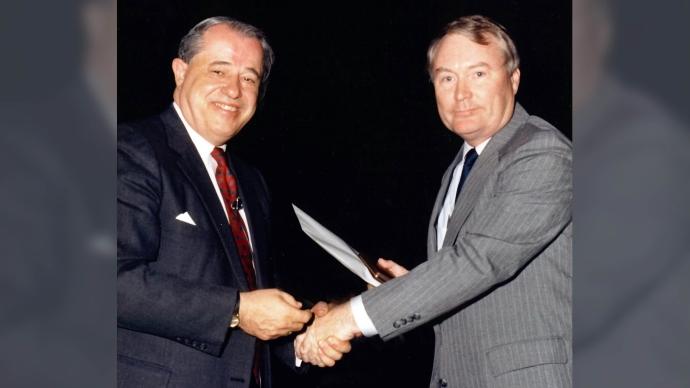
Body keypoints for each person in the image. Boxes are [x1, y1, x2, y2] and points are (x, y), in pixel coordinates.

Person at [296, 15, 572, 388]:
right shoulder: (462, 165)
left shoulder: (542, 152)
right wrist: (409, 287)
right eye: (447, 78)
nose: (461, 94)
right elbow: (466, 279)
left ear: (514, 79)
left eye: (478, 74)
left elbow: (479, 262)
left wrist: (348, 318)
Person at [117, 16, 348, 388]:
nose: (234, 90)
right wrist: (238, 310)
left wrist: (304, 335)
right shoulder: (128, 150)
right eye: (219, 70)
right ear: (180, 71)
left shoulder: (251, 180)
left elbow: (250, 303)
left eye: (249, 78)